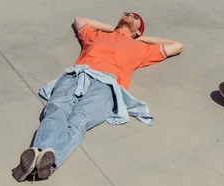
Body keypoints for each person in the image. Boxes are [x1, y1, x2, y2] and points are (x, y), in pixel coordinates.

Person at [11, 12, 184, 182]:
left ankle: (40, 158)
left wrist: (139, 39)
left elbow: (177, 45)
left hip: (106, 85)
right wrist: (116, 30)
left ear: (139, 31)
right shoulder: (97, 35)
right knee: (56, 110)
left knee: (78, 120)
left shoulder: (143, 49)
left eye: (135, 17)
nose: (130, 16)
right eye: (127, 14)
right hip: (77, 75)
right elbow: (79, 19)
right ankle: (42, 160)